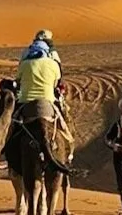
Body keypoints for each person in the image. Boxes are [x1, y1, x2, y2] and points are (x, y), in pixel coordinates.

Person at [12, 29, 78, 178]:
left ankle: (2, 151)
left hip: (25, 100)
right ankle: (70, 149)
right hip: (49, 101)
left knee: (11, 124)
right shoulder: (53, 59)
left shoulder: (25, 58)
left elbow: (19, 81)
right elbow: (57, 82)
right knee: (65, 122)